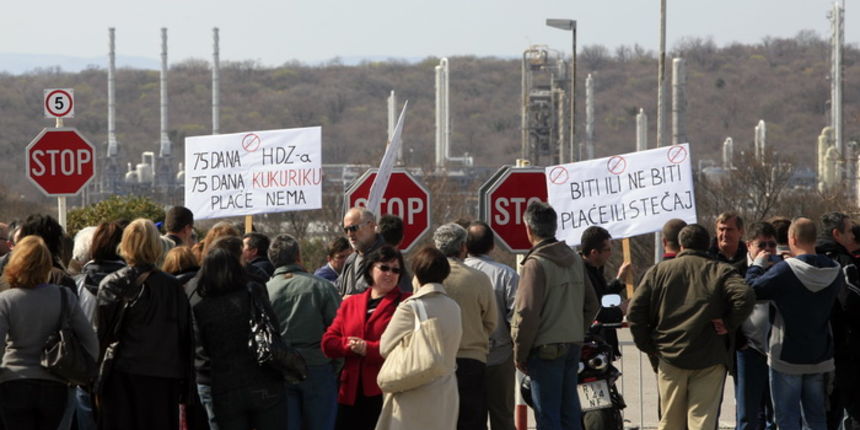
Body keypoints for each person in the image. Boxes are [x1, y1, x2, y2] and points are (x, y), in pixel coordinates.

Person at [628, 224, 754, 430]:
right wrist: (729, 323)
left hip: (669, 356)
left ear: (681, 244)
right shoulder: (720, 271)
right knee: (702, 421)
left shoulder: (659, 271)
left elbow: (635, 312)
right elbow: (745, 296)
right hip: (710, 356)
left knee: (670, 422)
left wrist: (649, 346)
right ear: (708, 245)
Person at [96, 218, 193, 430]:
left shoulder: (112, 284)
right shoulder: (173, 287)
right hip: (164, 377)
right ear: (157, 246)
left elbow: (101, 336)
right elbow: (185, 336)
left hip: (122, 375)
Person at [511, 201, 599, 430]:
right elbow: (592, 303)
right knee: (569, 412)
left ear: (529, 230)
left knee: (547, 415)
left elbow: (527, 313)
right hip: (572, 344)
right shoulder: (574, 260)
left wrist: (520, 352)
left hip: (544, 349)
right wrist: (576, 330)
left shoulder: (534, 264)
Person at [748, 217, 842, 430]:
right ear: (813, 239)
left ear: (792, 238)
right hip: (820, 354)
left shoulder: (785, 271)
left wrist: (756, 266)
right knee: (816, 418)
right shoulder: (835, 271)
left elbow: (751, 291)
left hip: (786, 355)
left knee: (787, 419)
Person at [0, 235, 98, 430]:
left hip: (14, 383)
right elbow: (91, 342)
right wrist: (78, 373)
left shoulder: (5, 300)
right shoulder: (64, 296)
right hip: (55, 383)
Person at [192, 237, 288, 430]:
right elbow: (273, 330)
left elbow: (201, 347)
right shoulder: (252, 293)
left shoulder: (201, 307)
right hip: (262, 380)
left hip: (224, 386)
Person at [322, 245, 411, 430]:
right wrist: (349, 345)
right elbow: (328, 343)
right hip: (349, 392)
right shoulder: (351, 303)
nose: (390, 274)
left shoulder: (405, 303)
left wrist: (368, 349)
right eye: (384, 268)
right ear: (371, 268)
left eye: (396, 270)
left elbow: (405, 347)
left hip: (385, 391)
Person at [375, 247, 463, 430]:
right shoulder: (454, 307)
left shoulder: (410, 307)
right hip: (446, 392)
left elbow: (384, 347)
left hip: (413, 391)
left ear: (417, 272)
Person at [266, 234, 342, 430]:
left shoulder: (265, 291)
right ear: (298, 256)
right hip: (318, 366)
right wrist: (334, 367)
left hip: (280, 368)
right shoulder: (322, 287)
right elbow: (338, 331)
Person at [432, 223, 497, 430]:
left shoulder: (424, 278)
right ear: (463, 247)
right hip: (471, 359)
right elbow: (491, 322)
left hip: (436, 359)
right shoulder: (478, 279)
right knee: (471, 420)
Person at [463, 221, 517, 430]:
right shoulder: (506, 275)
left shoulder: (452, 274)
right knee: (502, 416)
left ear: (464, 246)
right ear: (492, 245)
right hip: (499, 356)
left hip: (464, 358)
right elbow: (517, 317)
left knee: (469, 417)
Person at [815, 212, 860, 430]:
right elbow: (851, 301)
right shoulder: (843, 263)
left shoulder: (809, 258)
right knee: (847, 409)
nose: (853, 235)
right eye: (850, 230)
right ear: (837, 234)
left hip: (812, 347)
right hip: (843, 349)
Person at [735, 222, 778, 430]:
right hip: (749, 348)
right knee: (748, 414)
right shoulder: (738, 269)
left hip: (777, 349)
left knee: (774, 414)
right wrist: (738, 339)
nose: (767, 250)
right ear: (749, 245)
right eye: (762, 244)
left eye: (772, 244)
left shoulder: (782, 269)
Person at [579, 226, 631, 357]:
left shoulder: (594, 270)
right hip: (589, 346)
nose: (610, 253)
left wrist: (619, 281)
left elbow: (603, 297)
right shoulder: (580, 274)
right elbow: (595, 311)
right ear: (594, 252)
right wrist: (620, 310)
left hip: (601, 344)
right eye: (607, 250)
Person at [337, 208, 410, 296]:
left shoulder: (389, 258)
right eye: (346, 230)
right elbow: (337, 290)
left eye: (353, 228)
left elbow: (402, 298)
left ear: (371, 226)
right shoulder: (350, 260)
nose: (349, 234)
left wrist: (355, 301)